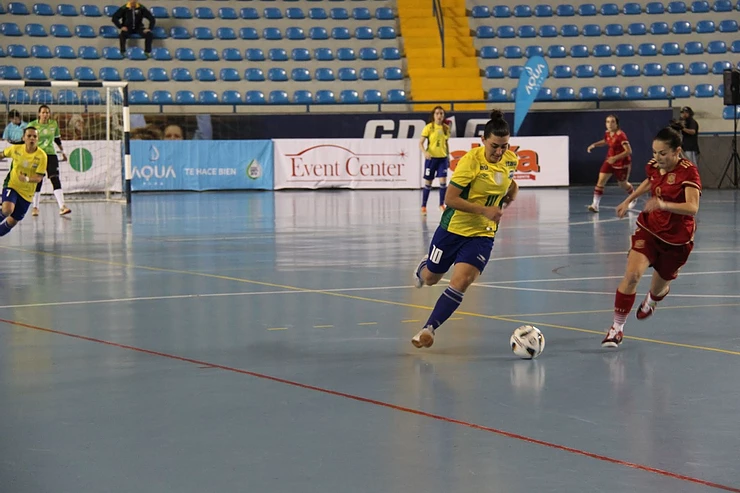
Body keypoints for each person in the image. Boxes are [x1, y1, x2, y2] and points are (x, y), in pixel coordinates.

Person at [411, 110, 519, 348]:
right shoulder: (470, 161)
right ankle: (422, 268)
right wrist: (484, 210)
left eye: (504, 146)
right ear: (483, 140)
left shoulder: (511, 159)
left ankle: (428, 329)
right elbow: (450, 199)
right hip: (453, 229)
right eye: (494, 146)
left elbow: (511, 186)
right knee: (430, 278)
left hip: (482, 235)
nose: (499, 152)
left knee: (462, 281)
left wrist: (505, 204)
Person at [601, 123, 701, 348]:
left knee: (658, 287)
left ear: (676, 151)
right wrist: (629, 199)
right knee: (633, 275)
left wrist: (664, 204)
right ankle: (616, 328)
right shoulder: (654, 165)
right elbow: (650, 181)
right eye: (655, 152)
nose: (658, 157)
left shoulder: (689, 172)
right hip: (649, 229)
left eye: (663, 153)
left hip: (677, 239)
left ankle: (653, 299)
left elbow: (693, 207)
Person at [0, 127, 48, 237]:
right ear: (24, 138)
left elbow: (39, 178)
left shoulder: (42, 156)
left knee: (12, 222)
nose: (32, 138)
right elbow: (2, 154)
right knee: (7, 209)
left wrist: (27, 179)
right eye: (29, 136)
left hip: (27, 193)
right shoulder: (15, 149)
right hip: (12, 185)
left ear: (38, 139)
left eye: (34, 136)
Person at [586, 115, 635, 213]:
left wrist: (615, 158)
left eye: (612, 122)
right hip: (609, 161)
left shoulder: (621, 135)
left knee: (622, 184)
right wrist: (594, 145)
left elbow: (629, 151)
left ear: (617, 124)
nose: (609, 124)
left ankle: (633, 196)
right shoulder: (607, 133)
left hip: (622, 163)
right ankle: (595, 205)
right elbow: (605, 141)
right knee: (600, 181)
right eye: (607, 122)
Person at [29, 105, 71, 216]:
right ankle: (35, 207)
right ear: (39, 114)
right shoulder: (32, 125)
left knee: (55, 178)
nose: (45, 114)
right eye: (43, 112)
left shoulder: (53, 124)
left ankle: (62, 206)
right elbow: (27, 141)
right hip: (37, 155)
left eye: (47, 112)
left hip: (51, 155)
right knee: (38, 181)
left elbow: (57, 139)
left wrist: (63, 152)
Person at [419, 106, 451, 215]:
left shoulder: (446, 128)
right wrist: (425, 152)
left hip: (442, 158)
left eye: (441, 113)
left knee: (443, 182)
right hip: (431, 159)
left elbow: (446, 144)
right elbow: (420, 143)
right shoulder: (429, 127)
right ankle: (423, 206)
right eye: (437, 113)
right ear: (433, 115)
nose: (439, 115)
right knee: (428, 182)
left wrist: (448, 156)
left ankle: (441, 204)